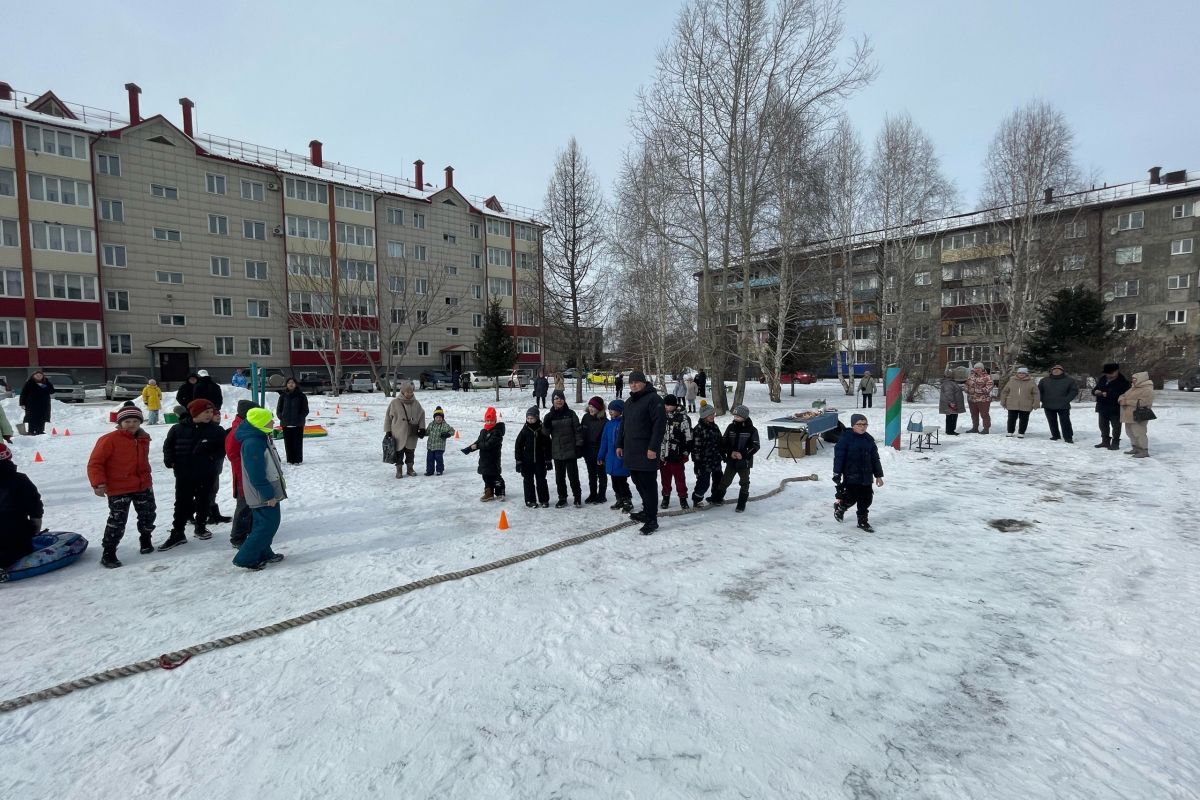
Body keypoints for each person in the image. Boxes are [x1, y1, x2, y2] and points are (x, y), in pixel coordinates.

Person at [87, 404, 155, 568]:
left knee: (147, 515)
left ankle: (145, 538)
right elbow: (95, 463)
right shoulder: (109, 439)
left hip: (142, 485)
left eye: (135, 421)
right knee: (117, 521)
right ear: (120, 423)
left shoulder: (143, 438)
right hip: (119, 488)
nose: (131, 424)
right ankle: (109, 552)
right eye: (127, 421)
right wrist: (98, 483)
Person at [158, 399, 226, 550]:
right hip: (184, 473)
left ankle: (200, 526)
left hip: (206, 473)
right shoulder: (177, 429)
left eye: (211, 412)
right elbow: (168, 446)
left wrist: (211, 457)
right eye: (205, 412)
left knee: (203, 501)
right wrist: (171, 461)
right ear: (195, 412)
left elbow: (222, 449)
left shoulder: (216, 430)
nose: (209, 415)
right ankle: (178, 533)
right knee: (182, 503)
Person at [233, 408, 288, 570]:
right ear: (260, 423)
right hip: (262, 493)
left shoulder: (259, 437)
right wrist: (268, 494)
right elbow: (256, 472)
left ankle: (264, 552)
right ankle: (245, 557)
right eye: (269, 420)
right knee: (267, 526)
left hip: (266, 490)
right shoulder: (253, 442)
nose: (273, 422)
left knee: (263, 525)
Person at [617, 370, 666, 535]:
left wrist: (653, 448)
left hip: (647, 452)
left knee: (648, 486)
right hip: (632, 451)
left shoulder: (654, 400)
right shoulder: (629, 402)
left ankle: (652, 519)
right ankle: (646, 511)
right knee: (638, 483)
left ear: (644, 382)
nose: (633, 384)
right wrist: (619, 444)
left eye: (637, 381)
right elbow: (623, 426)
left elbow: (659, 426)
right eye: (631, 382)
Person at [832, 414, 884, 532]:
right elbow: (839, 457)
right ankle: (840, 507)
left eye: (864, 424)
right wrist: (837, 473)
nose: (862, 427)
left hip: (866, 476)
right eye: (859, 424)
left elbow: (875, 459)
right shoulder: (846, 439)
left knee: (866, 499)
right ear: (853, 425)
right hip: (851, 475)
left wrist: (878, 475)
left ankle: (862, 522)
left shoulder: (868, 439)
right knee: (851, 498)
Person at [0, 442, 44, 571]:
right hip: (14, 530)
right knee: (17, 550)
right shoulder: (20, 480)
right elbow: (34, 503)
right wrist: (36, 522)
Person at [710, 404, 760, 513]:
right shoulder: (730, 427)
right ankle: (717, 498)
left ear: (744, 417)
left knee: (744, 482)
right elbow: (724, 442)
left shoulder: (752, 430)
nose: (735, 418)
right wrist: (730, 452)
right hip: (732, 460)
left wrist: (744, 454)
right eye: (735, 416)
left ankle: (741, 504)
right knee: (725, 480)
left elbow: (755, 445)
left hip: (744, 462)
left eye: (738, 416)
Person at [225, 399, 258, 550]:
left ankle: (249, 530)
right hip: (243, 475)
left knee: (251, 504)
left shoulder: (246, 426)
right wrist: (248, 466)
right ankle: (237, 537)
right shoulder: (238, 430)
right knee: (244, 505)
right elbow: (233, 453)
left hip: (249, 473)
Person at [544, 389, 584, 507]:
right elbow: (545, 434)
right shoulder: (549, 416)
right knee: (559, 478)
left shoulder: (571, 413)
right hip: (557, 451)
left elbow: (578, 431)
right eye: (556, 399)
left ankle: (577, 497)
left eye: (561, 398)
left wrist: (579, 445)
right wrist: (546, 424)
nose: (559, 401)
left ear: (564, 400)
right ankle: (562, 498)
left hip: (570, 450)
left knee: (573, 477)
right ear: (553, 401)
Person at [596, 398, 633, 513]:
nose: (610, 412)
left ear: (620, 411)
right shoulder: (608, 424)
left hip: (621, 458)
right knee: (614, 482)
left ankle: (627, 500)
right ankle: (619, 499)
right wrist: (601, 456)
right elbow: (604, 441)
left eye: (613, 410)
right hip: (610, 459)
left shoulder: (625, 424)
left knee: (622, 481)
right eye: (610, 409)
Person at [462, 407, 506, 501]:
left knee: (495, 476)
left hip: (493, 458)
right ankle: (489, 492)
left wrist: (478, 446)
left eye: (491, 421)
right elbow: (478, 442)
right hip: (484, 459)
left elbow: (489, 444)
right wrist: (469, 448)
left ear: (495, 420)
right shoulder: (483, 431)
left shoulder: (497, 432)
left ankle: (500, 492)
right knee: (485, 475)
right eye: (488, 420)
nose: (489, 422)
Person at [384, 380, 425, 478]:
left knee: (410, 452)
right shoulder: (395, 403)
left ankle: (410, 469)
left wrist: (422, 428)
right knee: (399, 453)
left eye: (411, 392)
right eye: (407, 392)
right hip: (398, 433)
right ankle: (399, 471)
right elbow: (388, 417)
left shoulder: (416, 403)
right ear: (402, 392)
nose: (410, 394)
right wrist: (388, 431)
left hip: (412, 433)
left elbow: (422, 415)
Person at [658, 394, 693, 510]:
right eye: (665, 405)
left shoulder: (683, 418)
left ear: (674, 405)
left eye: (668, 405)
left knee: (680, 478)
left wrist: (686, 452)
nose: (666, 407)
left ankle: (683, 498)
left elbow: (688, 437)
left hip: (677, 454)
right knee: (665, 478)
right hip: (664, 454)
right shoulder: (661, 416)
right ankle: (665, 497)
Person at [515, 406, 552, 507]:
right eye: (528, 418)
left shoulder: (542, 430)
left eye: (532, 418)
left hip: (540, 461)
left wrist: (548, 460)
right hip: (527, 461)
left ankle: (544, 500)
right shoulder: (524, 431)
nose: (530, 420)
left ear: (537, 418)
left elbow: (548, 445)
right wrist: (519, 461)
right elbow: (518, 446)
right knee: (528, 481)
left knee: (541, 480)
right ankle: (530, 500)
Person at [690, 404, 724, 508]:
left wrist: (723, 453)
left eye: (713, 414)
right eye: (710, 415)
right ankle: (697, 499)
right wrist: (697, 463)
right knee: (704, 482)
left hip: (716, 459)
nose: (712, 416)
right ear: (703, 416)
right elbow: (695, 448)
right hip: (704, 462)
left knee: (719, 479)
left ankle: (716, 497)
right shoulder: (698, 429)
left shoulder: (715, 427)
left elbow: (720, 441)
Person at [1092, 362, 1130, 450]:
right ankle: (1105, 441)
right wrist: (1095, 392)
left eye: (1110, 373)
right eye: (1106, 373)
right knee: (1102, 425)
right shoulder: (1103, 379)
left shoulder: (1123, 381)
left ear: (1116, 371)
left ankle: (1115, 443)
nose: (1108, 375)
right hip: (1102, 406)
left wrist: (1108, 394)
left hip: (1115, 407)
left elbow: (1125, 394)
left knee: (1116, 426)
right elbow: (1095, 388)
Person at [1118, 371, 1155, 458]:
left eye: (1135, 379)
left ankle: (1144, 450)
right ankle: (1136, 448)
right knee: (1130, 433)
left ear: (1141, 379)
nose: (1133, 380)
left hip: (1139, 415)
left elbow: (1145, 402)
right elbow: (1123, 395)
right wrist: (1121, 399)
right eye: (1133, 378)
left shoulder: (1147, 389)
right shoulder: (1133, 388)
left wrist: (1127, 402)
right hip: (1128, 415)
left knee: (1139, 433)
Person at [1038, 364, 1078, 443]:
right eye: (1054, 370)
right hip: (1048, 404)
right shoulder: (1044, 380)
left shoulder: (1069, 380)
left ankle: (1068, 437)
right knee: (1052, 421)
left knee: (1065, 421)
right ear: (1051, 371)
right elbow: (1039, 391)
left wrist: (1066, 399)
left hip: (1063, 405)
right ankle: (1055, 435)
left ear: (1062, 371)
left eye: (1058, 370)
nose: (1056, 371)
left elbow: (1074, 391)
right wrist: (1043, 399)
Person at [579, 396, 609, 504]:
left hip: (600, 451)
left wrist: (603, 454)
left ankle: (601, 495)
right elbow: (582, 433)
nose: (591, 409)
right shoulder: (586, 418)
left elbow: (606, 440)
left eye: (594, 407)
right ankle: (592, 494)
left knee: (601, 474)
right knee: (591, 474)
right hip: (588, 451)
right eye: (590, 406)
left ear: (599, 408)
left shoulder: (605, 421)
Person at [275, 377, 310, 465]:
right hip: (286, 423)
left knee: (297, 442)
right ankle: (290, 459)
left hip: (298, 423)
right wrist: (281, 417)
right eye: (289, 383)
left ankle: (297, 459)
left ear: (296, 384)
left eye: (293, 382)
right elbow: (279, 409)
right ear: (286, 385)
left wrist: (300, 417)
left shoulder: (302, 396)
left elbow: (305, 410)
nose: (291, 384)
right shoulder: (283, 396)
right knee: (288, 443)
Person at [999, 367, 1040, 438]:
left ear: (1026, 374)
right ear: (1017, 374)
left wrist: (1036, 403)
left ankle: (1021, 432)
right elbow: (1005, 392)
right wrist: (1003, 401)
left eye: (1023, 373)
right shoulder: (1011, 381)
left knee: (1024, 419)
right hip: (1012, 403)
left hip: (1026, 404)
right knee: (1011, 418)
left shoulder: (1031, 382)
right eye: (1020, 373)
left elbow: (1036, 393)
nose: (1021, 374)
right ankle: (1010, 431)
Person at [19, 370, 55, 435]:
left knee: (42, 417)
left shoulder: (46, 382)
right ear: (33, 376)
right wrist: (22, 403)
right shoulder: (29, 383)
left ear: (42, 376)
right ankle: (31, 431)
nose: (39, 377)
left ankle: (40, 430)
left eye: (40, 375)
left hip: (43, 404)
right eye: (37, 375)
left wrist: (44, 386)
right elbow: (23, 393)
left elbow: (52, 391)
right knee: (32, 417)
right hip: (31, 404)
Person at [423, 406, 455, 476]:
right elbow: (427, 432)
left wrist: (447, 434)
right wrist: (422, 433)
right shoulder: (431, 424)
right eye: (437, 417)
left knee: (438, 459)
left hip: (439, 446)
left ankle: (439, 470)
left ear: (442, 418)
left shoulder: (444, 425)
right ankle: (429, 471)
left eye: (440, 418)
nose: (438, 419)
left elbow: (452, 431)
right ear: (434, 418)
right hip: (430, 446)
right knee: (429, 459)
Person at [965, 363, 993, 434]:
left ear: (982, 369)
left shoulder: (987, 377)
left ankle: (986, 428)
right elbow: (966, 385)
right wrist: (967, 390)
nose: (977, 369)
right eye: (976, 368)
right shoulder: (971, 377)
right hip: (972, 399)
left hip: (983, 400)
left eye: (979, 368)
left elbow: (988, 388)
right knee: (974, 414)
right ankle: (975, 428)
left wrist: (976, 390)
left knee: (984, 414)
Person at [939, 369, 965, 435]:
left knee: (952, 416)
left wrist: (962, 388)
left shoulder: (950, 382)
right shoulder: (948, 383)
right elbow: (949, 394)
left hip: (951, 404)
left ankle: (951, 430)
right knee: (951, 417)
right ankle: (950, 431)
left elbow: (954, 389)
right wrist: (952, 403)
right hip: (950, 404)